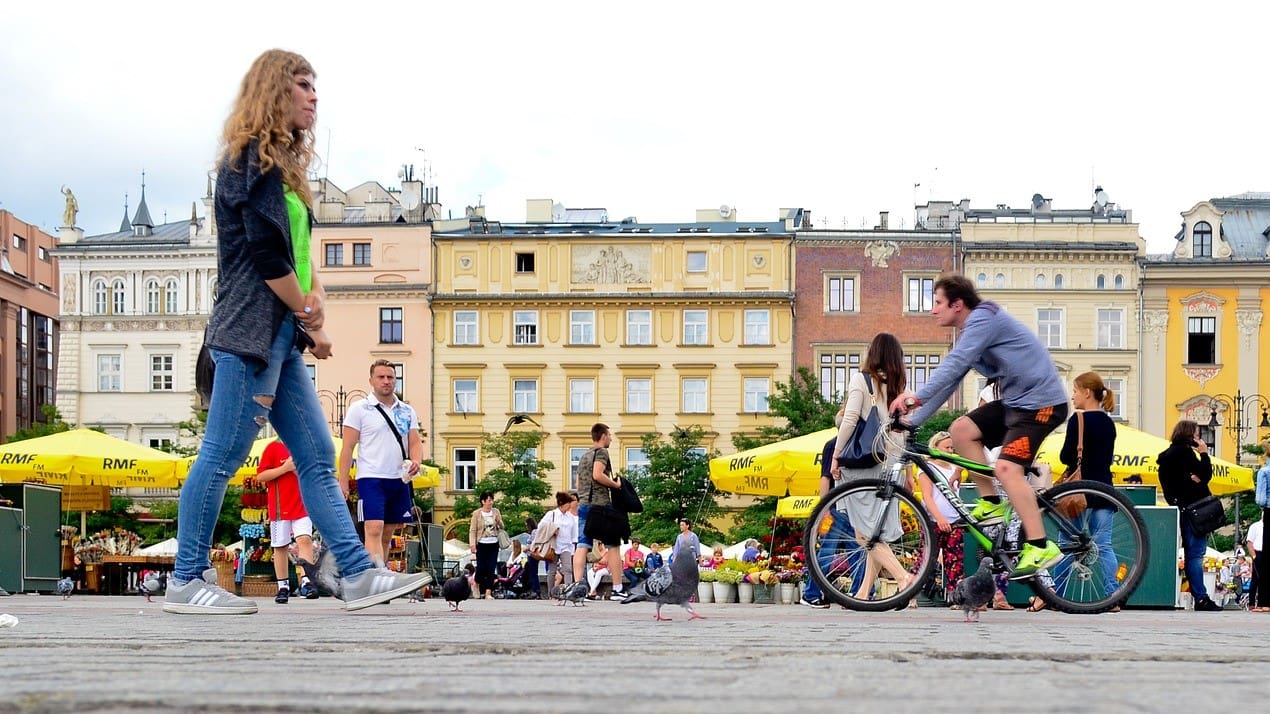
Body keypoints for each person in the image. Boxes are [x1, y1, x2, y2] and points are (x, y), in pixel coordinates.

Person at [165, 49, 429, 615]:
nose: (314, 96)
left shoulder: (282, 170)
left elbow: (299, 258)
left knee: (315, 455)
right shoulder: (247, 163)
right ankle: (186, 579)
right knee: (221, 454)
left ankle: (357, 575)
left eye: (315, 86)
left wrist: (315, 310)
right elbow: (264, 256)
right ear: (273, 92)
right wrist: (308, 314)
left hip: (281, 338)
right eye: (303, 85)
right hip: (248, 336)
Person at [890, 275, 1069, 581]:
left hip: (1041, 405)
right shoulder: (972, 331)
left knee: (1007, 469)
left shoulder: (983, 319)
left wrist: (915, 396)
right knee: (961, 430)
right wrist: (910, 423)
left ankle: (1040, 546)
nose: (933, 310)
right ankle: (992, 502)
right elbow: (951, 381)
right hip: (1017, 403)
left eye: (937, 303)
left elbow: (954, 364)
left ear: (957, 305)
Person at [832, 333, 913, 601]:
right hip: (892, 467)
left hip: (864, 466)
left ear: (872, 353)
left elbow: (851, 419)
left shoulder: (861, 380)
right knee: (875, 534)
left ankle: (903, 578)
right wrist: (908, 473)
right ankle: (864, 591)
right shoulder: (900, 387)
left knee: (863, 534)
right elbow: (904, 433)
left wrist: (836, 454)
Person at [339, 359, 423, 565]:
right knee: (373, 527)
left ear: (396, 381)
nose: (386, 381)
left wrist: (416, 461)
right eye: (381, 377)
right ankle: (374, 576)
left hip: (398, 478)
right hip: (370, 477)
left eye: (390, 377)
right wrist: (342, 481)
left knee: (388, 533)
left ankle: (382, 575)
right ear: (371, 380)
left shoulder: (406, 410)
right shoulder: (359, 408)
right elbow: (347, 447)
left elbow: (414, 441)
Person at [1056, 372, 1120, 606]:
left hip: (1077, 493)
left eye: (1074, 391)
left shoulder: (1078, 420)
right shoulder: (1109, 422)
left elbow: (1066, 457)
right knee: (1104, 546)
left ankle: (1057, 595)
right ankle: (1113, 596)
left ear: (1086, 392)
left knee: (1066, 545)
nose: (1072, 396)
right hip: (1104, 491)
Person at [1156, 419, 1222, 612]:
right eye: (1195, 434)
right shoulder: (1185, 454)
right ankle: (1201, 598)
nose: (1198, 438)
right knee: (1195, 555)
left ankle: (1200, 596)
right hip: (1195, 511)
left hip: (1181, 509)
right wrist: (1204, 454)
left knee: (1191, 553)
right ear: (1188, 435)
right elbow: (1206, 474)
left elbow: (1169, 488)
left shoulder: (1166, 456)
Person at [255, 438, 318, 602]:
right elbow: (261, 476)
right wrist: (284, 468)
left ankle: (306, 581)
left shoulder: (304, 444)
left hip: (302, 504)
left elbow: (314, 472)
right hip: (279, 506)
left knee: (305, 539)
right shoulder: (273, 448)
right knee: (280, 545)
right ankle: (283, 586)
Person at [573, 422, 627, 601]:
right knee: (613, 545)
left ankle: (578, 587)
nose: (611, 439)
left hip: (584, 505)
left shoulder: (583, 456)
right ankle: (618, 588)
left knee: (582, 545)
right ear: (603, 436)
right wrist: (615, 485)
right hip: (601, 505)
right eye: (610, 436)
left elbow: (578, 484)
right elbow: (597, 474)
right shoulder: (601, 452)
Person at [918, 431, 969, 606]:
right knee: (925, 558)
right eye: (946, 447)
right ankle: (911, 593)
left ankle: (956, 597)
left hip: (954, 519)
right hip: (934, 519)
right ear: (936, 447)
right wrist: (939, 518)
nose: (950, 451)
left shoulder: (955, 468)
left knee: (955, 561)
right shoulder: (928, 468)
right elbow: (927, 496)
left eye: (951, 448)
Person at [469, 491, 504, 600]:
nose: (491, 503)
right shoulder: (477, 514)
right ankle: (476, 583)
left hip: (493, 543)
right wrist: (472, 544)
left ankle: (488, 592)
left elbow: (502, 526)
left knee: (491, 568)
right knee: (481, 567)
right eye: (489, 500)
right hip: (482, 543)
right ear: (483, 501)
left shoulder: (496, 512)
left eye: (492, 500)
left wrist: (498, 521)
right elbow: (473, 530)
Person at [539, 492, 574, 599]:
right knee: (552, 571)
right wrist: (552, 529)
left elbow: (573, 532)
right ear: (562, 503)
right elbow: (541, 526)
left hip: (566, 546)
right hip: (554, 546)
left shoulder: (570, 516)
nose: (570, 505)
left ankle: (569, 592)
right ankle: (551, 594)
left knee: (568, 569)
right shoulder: (552, 514)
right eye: (568, 503)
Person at [1247, 515, 1264, 611]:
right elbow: (1249, 542)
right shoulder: (1255, 526)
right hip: (1258, 553)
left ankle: (1264, 603)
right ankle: (1252, 603)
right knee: (1256, 578)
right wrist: (1254, 556)